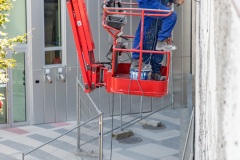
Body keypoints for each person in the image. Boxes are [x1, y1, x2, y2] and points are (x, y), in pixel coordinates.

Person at [131, 0, 184, 80]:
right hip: (149, 3)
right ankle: (159, 42)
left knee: (150, 31)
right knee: (171, 16)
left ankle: (154, 70)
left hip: (154, 2)